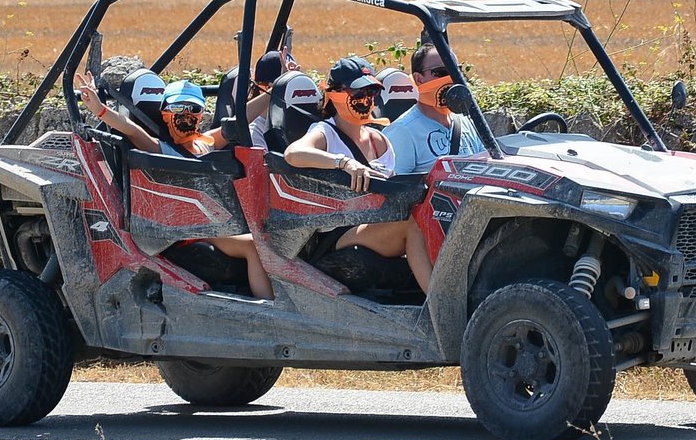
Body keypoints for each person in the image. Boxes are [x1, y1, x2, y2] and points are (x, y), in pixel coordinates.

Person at [78, 71, 273, 300]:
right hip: (182, 230)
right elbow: (130, 129)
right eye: (179, 109)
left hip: (212, 222)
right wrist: (99, 109)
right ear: (165, 113)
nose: (186, 116)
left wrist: (274, 90)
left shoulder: (206, 143)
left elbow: (243, 119)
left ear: (201, 116)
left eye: (193, 110)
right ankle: (268, 309)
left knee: (267, 234)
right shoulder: (160, 148)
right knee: (253, 245)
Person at [284, 56, 433, 293]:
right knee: (411, 225)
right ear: (334, 94)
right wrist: (344, 163)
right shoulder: (325, 132)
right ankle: (440, 305)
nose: (366, 100)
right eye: (358, 93)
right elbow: (293, 153)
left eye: (371, 93)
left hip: (375, 222)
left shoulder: (380, 141)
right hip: (336, 233)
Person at [383, 43, 485, 176]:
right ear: (419, 79)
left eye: (455, 71)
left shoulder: (467, 121)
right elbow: (394, 191)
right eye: (441, 72)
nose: (450, 78)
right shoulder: (402, 132)